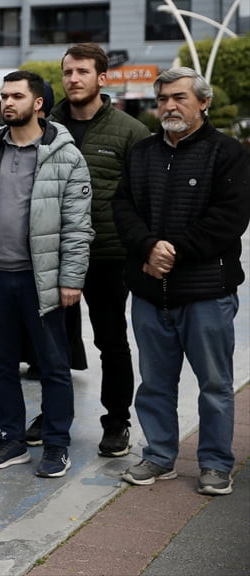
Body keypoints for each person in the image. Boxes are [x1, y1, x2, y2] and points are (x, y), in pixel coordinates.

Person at [114, 67, 250, 497]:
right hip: (151, 294)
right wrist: (148, 247)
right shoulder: (142, 152)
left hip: (207, 293)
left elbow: (229, 218)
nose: (169, 106)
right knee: (154, 382)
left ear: (203, 103)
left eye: (179, 98)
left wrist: (173, 251)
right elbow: (123, 207)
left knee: (214, 384)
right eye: (162, 99)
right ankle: (158, 455)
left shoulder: (227, 152)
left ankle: (214, 463)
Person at [0, 70, 93, 478]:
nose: (7, 103)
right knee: (1, 364)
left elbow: (78, 225)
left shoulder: (66, 155)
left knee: (53, 365)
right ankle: (12, 439)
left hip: (44, 279)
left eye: (16, 96)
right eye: (3, 96)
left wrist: (71, 278)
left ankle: (56, 444)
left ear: (38, 103)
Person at [37, 43, 150, 457]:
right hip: (53, 253)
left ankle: (117, 421)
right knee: (51, 344)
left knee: (112, 341)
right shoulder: (43, 126)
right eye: (67, 72)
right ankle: (51, 415)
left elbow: (144, 197)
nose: (73, 79)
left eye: (82, 71)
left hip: (108, 256)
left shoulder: (130, 131)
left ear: (102, 78)